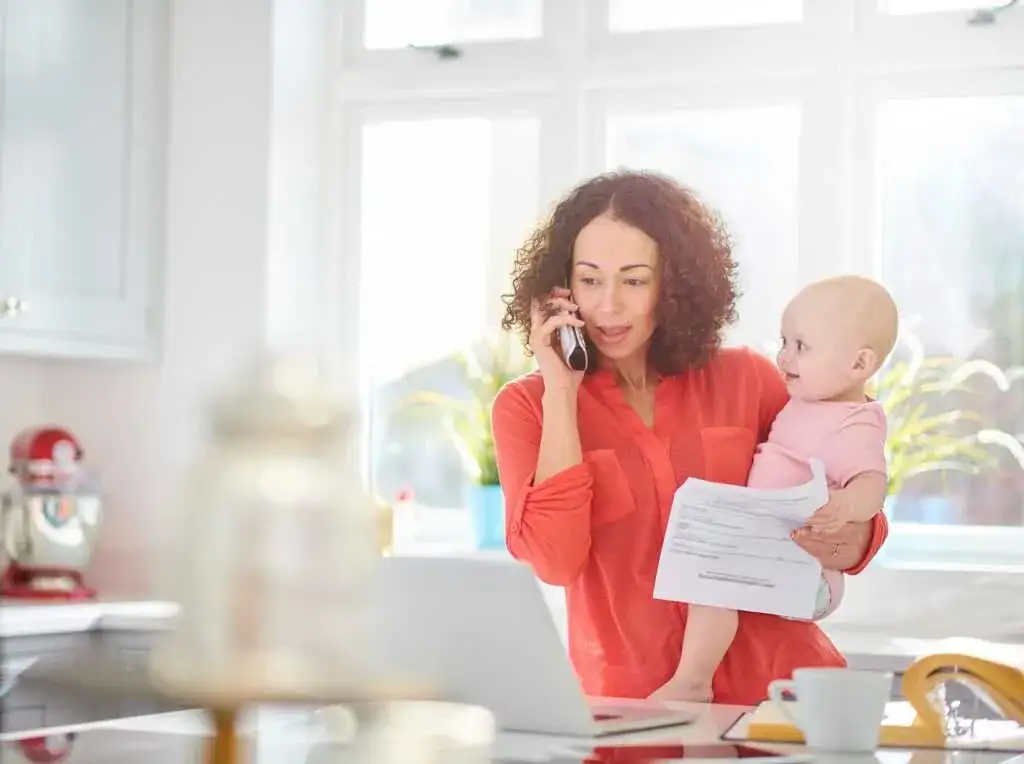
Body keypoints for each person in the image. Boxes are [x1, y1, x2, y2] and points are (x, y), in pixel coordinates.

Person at [492, 170, 889, 706]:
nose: (608, 305)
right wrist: (562, 392)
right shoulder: (526, 409)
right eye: (589, 280)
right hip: (637, 709)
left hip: (784, 699)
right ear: (561, 288)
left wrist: (840, 536)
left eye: (634, 280)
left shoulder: (749, 379)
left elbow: (856, 510)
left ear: (673, 284)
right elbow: (555, 561)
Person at [651, 275, 898, 702]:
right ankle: (694, 680)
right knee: (713, 578)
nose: (783, 357)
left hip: (811, 575)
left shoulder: (854, 422)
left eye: (801, 347)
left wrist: (846, 506)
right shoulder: (806, 402)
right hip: (782, 555)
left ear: (858, 366)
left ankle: (693, 679)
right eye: (784, 342)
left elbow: (873, 483)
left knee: (713, 577)